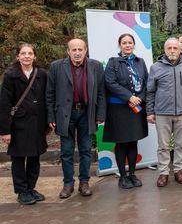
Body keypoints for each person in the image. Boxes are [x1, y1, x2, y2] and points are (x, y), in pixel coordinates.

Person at [46, 39, 106, 198]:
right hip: (65, 115)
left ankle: (84, 182)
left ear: (86, 50)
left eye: (80, 49)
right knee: (66, 151)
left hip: (87, 114)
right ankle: (68, 184)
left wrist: (100, 115)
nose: (77, 53)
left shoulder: (96, 66)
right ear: (68, 51)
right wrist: (51, 116)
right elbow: (49, 93)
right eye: (74, 50)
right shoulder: (56, 66)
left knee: (86, 150)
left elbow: (101, 93)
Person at [0, 43, 48, 205]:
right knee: (19, 159)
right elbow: (4, 104)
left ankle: (31, 188)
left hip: (37, 123)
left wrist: (48, 122)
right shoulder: (10, 75)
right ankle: (21, 191)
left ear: (34, 56)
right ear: (18, 56)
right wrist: (5, 131)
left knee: (35, 157)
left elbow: (47, 99)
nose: (27, 56)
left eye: (30, 53)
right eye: (23, 53)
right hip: (18, 124)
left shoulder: (41, 74)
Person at [147, 38, 182, 187]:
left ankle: (179, 170)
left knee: (181, 144)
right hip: (162, 113)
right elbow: (150, 91)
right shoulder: (156, 67)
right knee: (163, 146)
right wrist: (150, 111)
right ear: (165, 49)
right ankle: (163, 172)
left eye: (175, 48)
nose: (172, 50)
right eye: (169, 48)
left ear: (180, 49)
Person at [103, 34, 149, 189]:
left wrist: (140, 98)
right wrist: (129, 97)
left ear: (134, 45)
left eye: (130, 43)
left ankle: (132, 174)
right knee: (121, 143)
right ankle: (123, 176)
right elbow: (110, 83)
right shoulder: (113, 63)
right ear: (120, 45)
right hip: (119, 109)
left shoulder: (140, 62)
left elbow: (146, 83)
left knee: (133, 141)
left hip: (136, 108)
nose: (127, 45)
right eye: (124, 43)